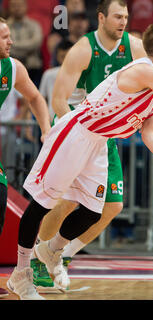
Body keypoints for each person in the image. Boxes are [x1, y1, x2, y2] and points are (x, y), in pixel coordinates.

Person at [7, 23, 153, 300]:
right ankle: (21, 275)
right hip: (78, 132)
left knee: (93, 212)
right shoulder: (143, 69)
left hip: (98, 144)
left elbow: (150, 134)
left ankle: (49, 250)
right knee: (42, 204)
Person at [30, 0, 147, 290]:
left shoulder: (135, 47)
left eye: (126, 17)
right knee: (68, 201)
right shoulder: (83, 49)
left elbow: (152, 84)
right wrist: (79, 134)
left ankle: (60, 255)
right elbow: (58, 99)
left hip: (105, 136)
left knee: (113, 206)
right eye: (117, 16)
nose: (123, 21)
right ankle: (36, 259)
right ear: (101, 18)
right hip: (79, 133)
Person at [0, 18, 51, 299]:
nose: (11, 41)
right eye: (5, 37)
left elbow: (35, 97)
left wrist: (45, 129)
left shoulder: (13, 68)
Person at [6, 0, 44, 86]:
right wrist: (27, 49)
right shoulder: (4, 26)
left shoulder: (35, 25)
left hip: (32, 69)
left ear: (26, 7)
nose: (17, 8)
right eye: (14, 5)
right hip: (10, 68)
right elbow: (3, 45)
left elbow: (36, 43)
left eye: (20, 5)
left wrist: (14, 46)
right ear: (9, 8)